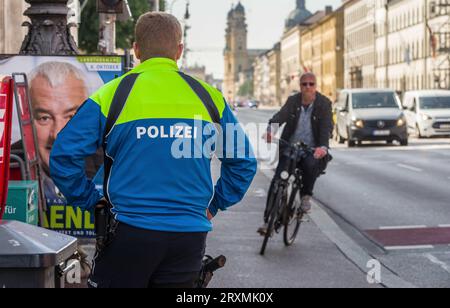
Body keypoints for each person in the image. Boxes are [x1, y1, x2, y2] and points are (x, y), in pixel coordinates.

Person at [50, 12, 257, 288]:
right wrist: (214, 204)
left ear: (136, 49)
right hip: (189, 237)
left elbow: (64, 157)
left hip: (129, 233)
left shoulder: (111, 95)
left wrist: (91, 202)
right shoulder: (210, 98)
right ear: (179, 51)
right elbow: (243, 163)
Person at [258, 72, 333, 235]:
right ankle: (267, 222)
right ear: (300, 86)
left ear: (315, 86)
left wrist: (323, 147)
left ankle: (306, 196)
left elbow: (327, 126)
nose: (307, 87)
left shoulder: (324, 104)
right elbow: (279, 117)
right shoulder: (293, 101)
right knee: (278, 180)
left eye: (311, 84)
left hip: (312, 149)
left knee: (310, 165)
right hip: (290, 147)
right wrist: (270, 131)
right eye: (304, 84)